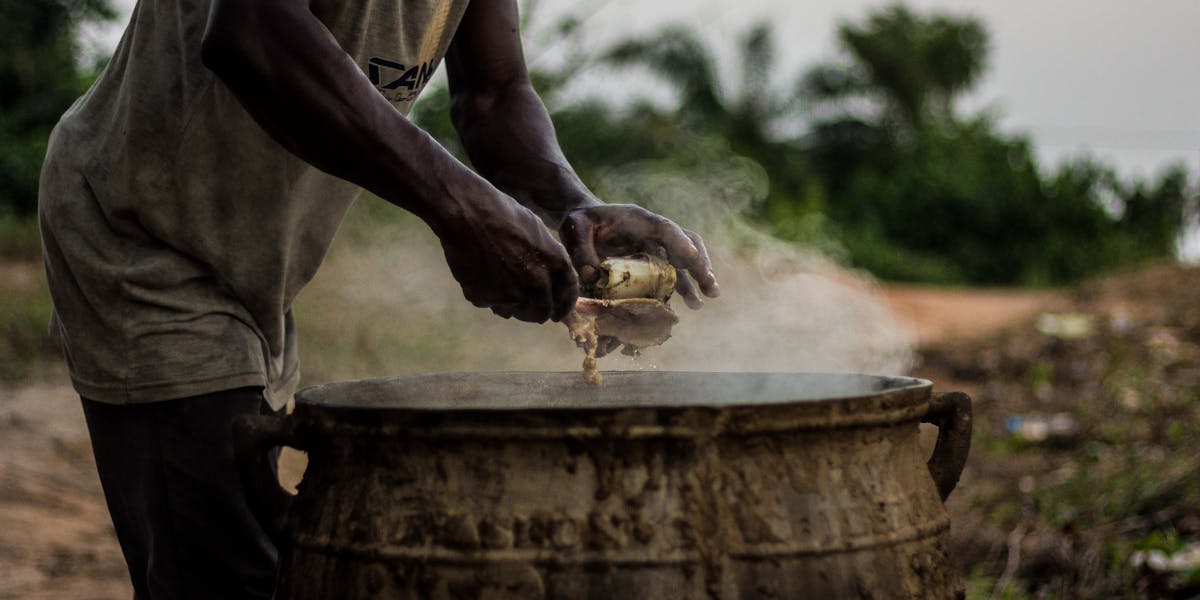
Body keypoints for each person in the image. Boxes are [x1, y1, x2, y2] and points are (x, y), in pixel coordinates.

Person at [37, 0, 718, 597]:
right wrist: (463, 209)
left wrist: (576, 206)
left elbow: (493, 93)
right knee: (227, 571)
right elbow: (251, 29)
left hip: (254, 260)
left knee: (258, 561)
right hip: (143, 234)